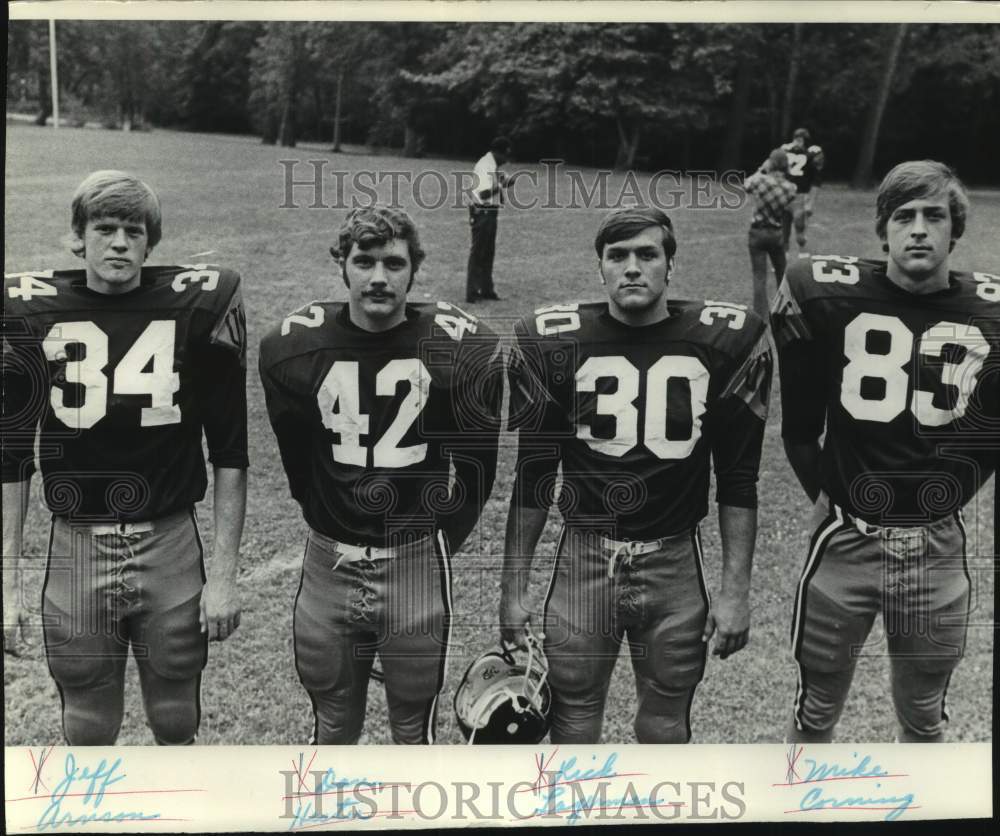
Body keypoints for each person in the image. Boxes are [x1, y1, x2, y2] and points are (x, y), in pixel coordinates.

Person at [501, 206, 773, 743]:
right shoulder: (551, 342)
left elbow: (738, 479)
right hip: (583, 557)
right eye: (617, 256)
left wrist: (735, 591)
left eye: (647, 254)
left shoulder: (726, 341)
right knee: (573, 717)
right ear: (599, 268)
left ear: (669, 266)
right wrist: (514, 588)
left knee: (666, 721)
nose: (632, 268)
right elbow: (533, 475)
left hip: (673, 560)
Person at [2, 170, 248, 745]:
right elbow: (11, 458)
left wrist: (226, 577)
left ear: (150, 242)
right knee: (87, 717)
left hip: (169, 540)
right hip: (77, 542)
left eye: (133, 231)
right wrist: (7, 582)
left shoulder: (199, 306)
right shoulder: (29, 313)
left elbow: (230, 453)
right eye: (104, 228)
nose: (118, 242)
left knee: (175, 713)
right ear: (78, 237)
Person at [771, 160, 1000, 743]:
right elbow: (799, 431)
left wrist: (943, 496)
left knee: (925, 717)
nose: (919, 229)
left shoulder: (990, 314)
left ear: (956, 230)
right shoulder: (821, 292)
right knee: (815, 709)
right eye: (904, 216)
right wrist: (835, 499)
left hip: (937, 543)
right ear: (882, 231)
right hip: (846, 538)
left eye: (934, 216)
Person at [259, 205, 503, 744]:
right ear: (342, 266)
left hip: (416, 557)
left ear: (413, 270)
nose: (377, 277)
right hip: (330, 559)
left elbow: (478, 473)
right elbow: (298, 463)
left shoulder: (462, 349)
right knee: (331, 723)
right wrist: (329, 521)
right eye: (363, 261)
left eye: (393, 263)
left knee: (413, 729)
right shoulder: (292, 348)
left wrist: (438, 542)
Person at [744, 147, 799, 318]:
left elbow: (746, 184)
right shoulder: (791, 188)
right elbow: (789, 210)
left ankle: (760, 317)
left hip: (757, 233)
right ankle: (785, 310)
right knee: (782, 274)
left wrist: (761, 169)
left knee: (759, 277)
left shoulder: (760, 181)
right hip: (776, 234)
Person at [465, 136, 515, 303]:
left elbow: (500, 182)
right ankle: (471, 292)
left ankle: (486, 289)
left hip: (490, 212)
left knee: (488, 253)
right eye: (506, 155)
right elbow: (484, 193)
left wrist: (505, 180)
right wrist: (500, 184)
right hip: (483, 212)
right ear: (499, 153)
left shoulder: (492, 165)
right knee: (478, 252)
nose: (507, 160)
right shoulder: (485, 166)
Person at [781, 127, 825, 256]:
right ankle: (783, 259)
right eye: (796, 139)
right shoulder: (785, 150)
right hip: (784, 195)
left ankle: (803, 253)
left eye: (801, 140)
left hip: (800, 196)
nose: (798, 142)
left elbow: (816, 180)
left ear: (806, 141)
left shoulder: (812, 153)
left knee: (800, 231)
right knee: (783, 230)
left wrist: (810, 202)